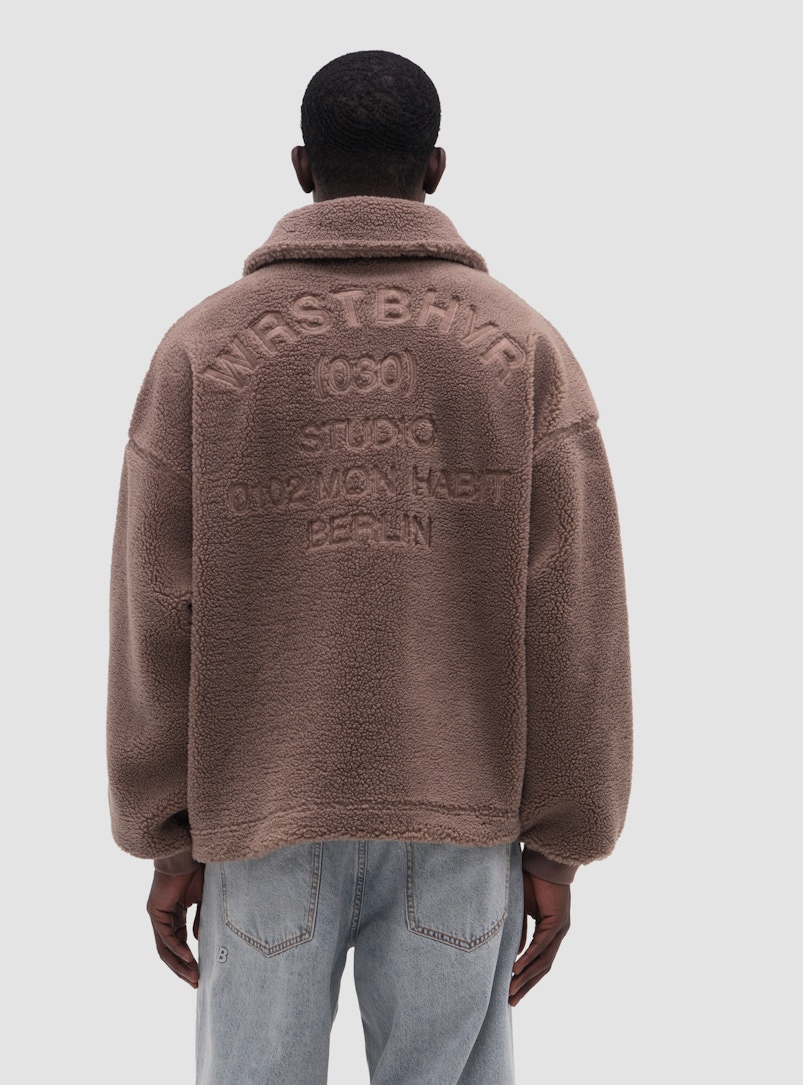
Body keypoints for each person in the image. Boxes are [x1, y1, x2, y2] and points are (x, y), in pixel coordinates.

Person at [106, 50, 633, 1084]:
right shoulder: (525, 347)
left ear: (303, 166)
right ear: (434, 168)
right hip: (461, 814)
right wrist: (562, 840)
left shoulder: (201, 350)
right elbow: (574, 617)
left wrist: (164, 832)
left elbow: (154, 610)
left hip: (261, 815)